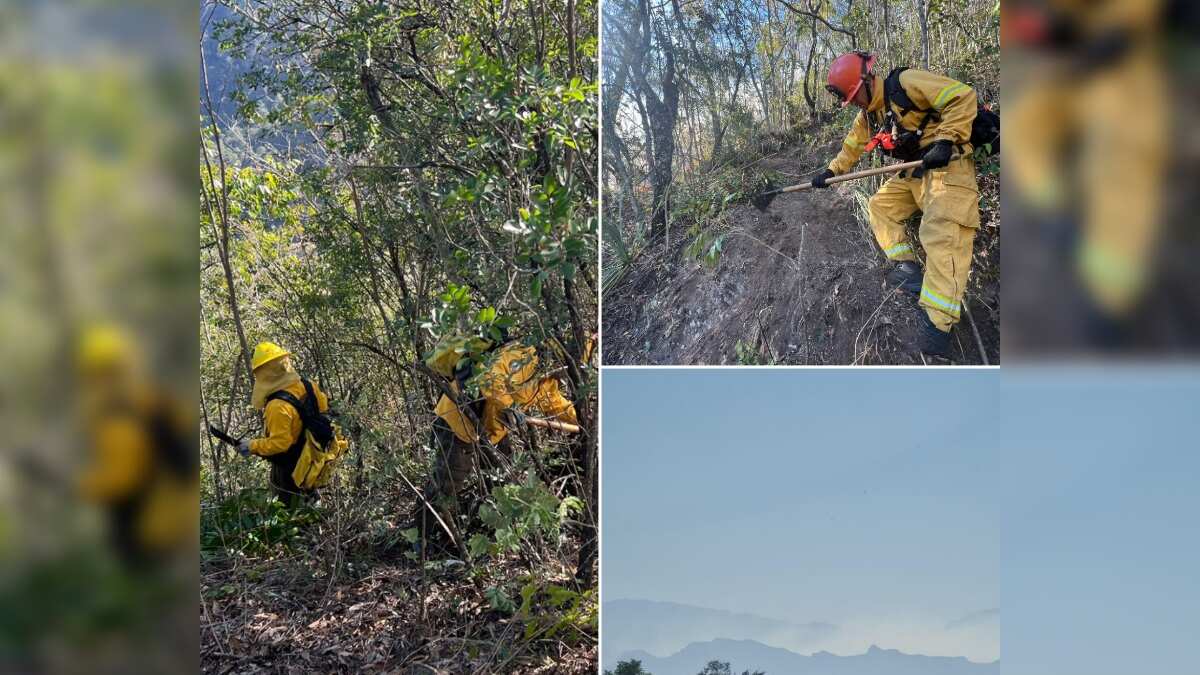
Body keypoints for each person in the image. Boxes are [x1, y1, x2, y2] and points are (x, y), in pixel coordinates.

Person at [814, 51, 982, 359]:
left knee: (942, 234)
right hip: (915, 172)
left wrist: (946, 139)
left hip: (949, 167)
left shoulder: (905, 83)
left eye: (854, 97)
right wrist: (831, 172)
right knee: (880, 206)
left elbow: (962, 96)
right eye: (850, 100)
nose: (855, 103)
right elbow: (852, 146)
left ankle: (938, 326)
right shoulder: (869, 115)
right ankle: (907, 268)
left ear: (867, 80)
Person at [414, 333, 578, 548]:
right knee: (447, 482)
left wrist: (585, 420)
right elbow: (490, 375)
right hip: (457, 420)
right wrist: (509, 406)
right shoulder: (522, 354)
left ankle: (495, 536)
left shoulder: (546, 380)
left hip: (491, 430)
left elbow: (555, 404)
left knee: (500, 478)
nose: (564, 374)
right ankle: (421, 537)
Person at [76, 324, 199, 566]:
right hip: (179, 515)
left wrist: (81, 486)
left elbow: (123, 478)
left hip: (150, 530)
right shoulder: (156, 399)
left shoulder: (119, 413)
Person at [240, 341, 330, 507]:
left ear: (263, 373)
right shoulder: (308, 385)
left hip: (289, 468)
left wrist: (251, 446)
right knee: (311, 503)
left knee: (287, 513)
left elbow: (281, 443)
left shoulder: (277, 406)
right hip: (313, 456)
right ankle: (319, 527)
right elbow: (323, 409)